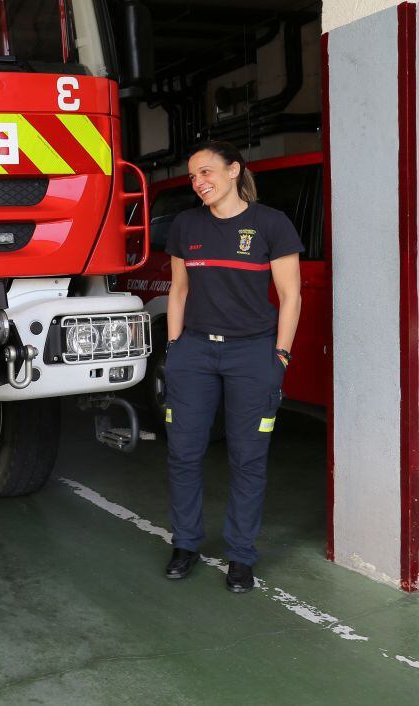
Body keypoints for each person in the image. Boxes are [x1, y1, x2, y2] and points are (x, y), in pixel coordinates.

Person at [161, 141, 302, 593]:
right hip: (195, 354)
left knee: (248, 458)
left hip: (252, 353)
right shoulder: (186, 226)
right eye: (193, 177)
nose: (199, 182)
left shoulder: (270, 224)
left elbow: (291, 296)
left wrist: (280, 355)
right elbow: (179, 291)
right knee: (183, 452)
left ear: (234, 170)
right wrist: (174, 348)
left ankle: (241, 556)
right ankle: (185, 544)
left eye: (206, 172)